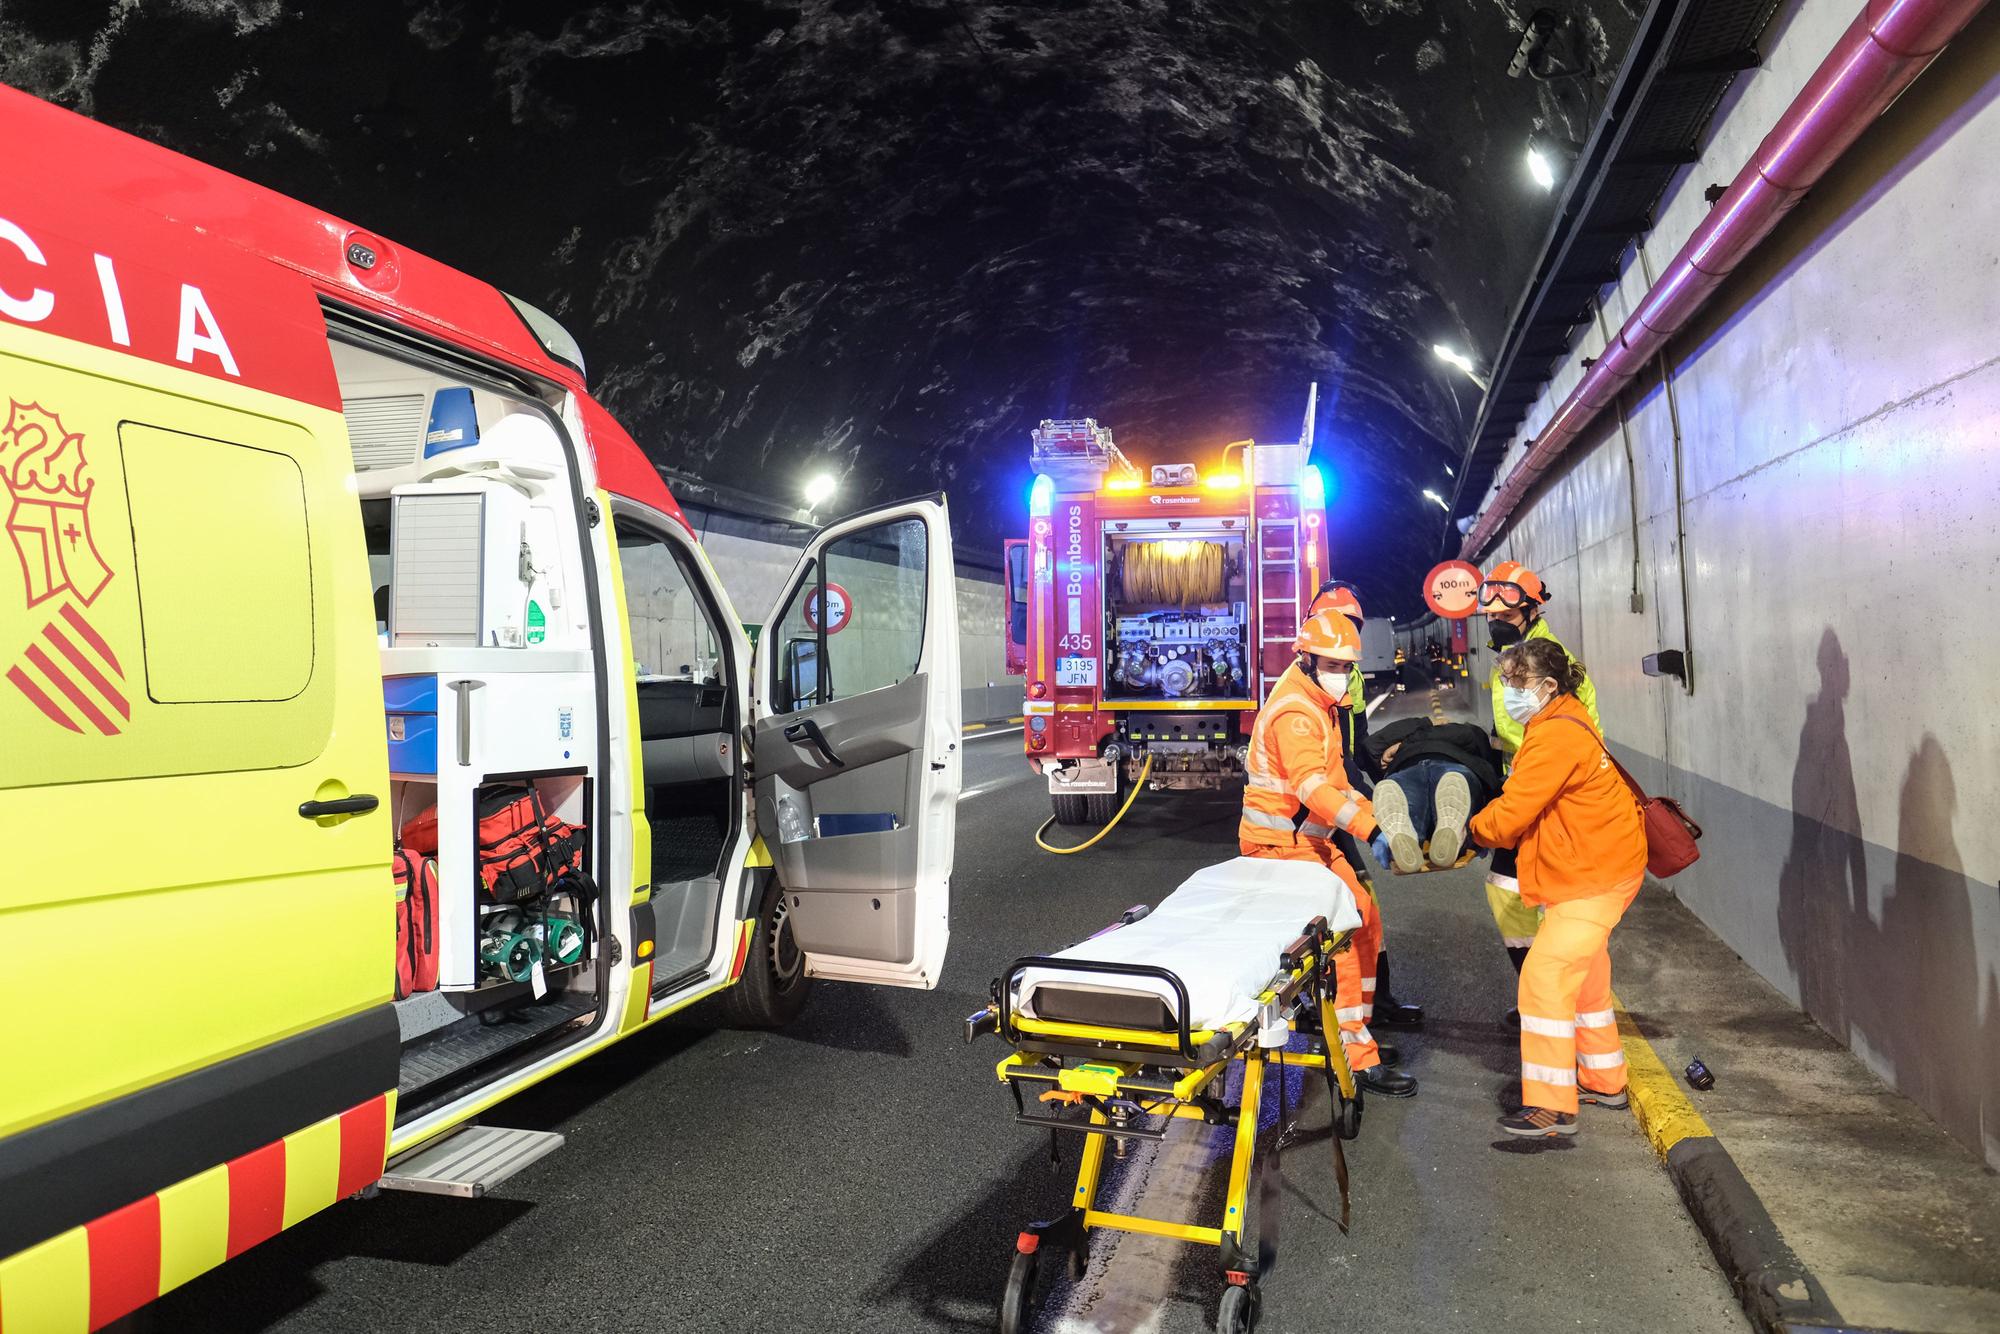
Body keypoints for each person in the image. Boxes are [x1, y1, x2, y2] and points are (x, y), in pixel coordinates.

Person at [1467, 637, 1645, 1137]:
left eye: (1516, 682)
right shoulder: (1561, 718)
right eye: (1504, 681)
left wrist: (1471, 832)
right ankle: (1605, 1081)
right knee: (1586, 982)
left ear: (1547, 685)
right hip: (1597, 868)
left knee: (1543, 979)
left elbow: (1514, 812)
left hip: (1595, 877)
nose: (1508, 691)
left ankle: (1551, 1105)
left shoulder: (1553, 737)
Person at [1239, 608, 1416, 1097]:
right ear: (1307, 659)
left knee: (1366, 921)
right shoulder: (1296, 711)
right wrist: (1369, 831)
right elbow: (1313, 787)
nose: (1342, 676)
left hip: (1308, 842)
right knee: (1341, 940)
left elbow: (1337, 783)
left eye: (1347, 667)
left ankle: (1357, 1034)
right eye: (1333, 666)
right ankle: (1356, 1059)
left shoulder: (1319, 704)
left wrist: (1384, 826)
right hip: (1280, 846)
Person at [1477, 561, 1600, 1026]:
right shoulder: (1513, 658)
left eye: (1506, 618)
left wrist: (1486, 824)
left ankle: (1552, 997)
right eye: (1491, 618)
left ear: (1530, 611)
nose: (1496, 624)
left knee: (1550, 902)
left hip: (1551, 797)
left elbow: (1575, 738)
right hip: (1527, 787)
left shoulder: (1551, 664)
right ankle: (1540, 990)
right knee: (1508, 892)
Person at [1308, 579, 1423, 1028]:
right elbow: (1320, 773)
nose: (1342, 634)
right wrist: (1374, 824)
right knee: (1344, 910)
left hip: (1334, 804)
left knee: (1361, 906)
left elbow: (1354, 751)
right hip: (1312, 819)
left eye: (1350, 625)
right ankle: (1340, 1015)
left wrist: (1387, 790)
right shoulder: (1307, 689)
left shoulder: (1345, 673)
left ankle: (1376, 1004)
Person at [1361, 715, 1502, 872]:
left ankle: (1409, 833)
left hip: (1406, 769)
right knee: (1460, 798)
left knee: (1410, 811)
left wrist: (1408, 739)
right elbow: (1472, 736)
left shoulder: (1399, 746)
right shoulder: (1462, 731)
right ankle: (1460, 834)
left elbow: (1371, 745)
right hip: (1453, 765)